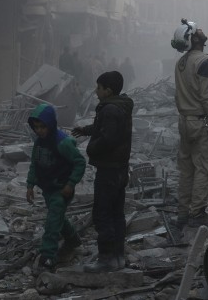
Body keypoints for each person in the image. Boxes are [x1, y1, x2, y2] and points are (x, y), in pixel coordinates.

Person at [71, 71, 134, 272]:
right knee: (117, 213)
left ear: (108, 90)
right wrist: (86, 130)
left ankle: (106, 258)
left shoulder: (109, 110)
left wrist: (91, 148)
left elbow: (108, 139)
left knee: (102, 213)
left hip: (108, 170)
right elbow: (104, 129)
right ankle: (118, 257)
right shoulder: (120, 106)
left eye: (98, 87)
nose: (96, 91)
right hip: (120, 169)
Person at [171, 18, 208, 228]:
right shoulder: (204, 62)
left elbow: (178, 96)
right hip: (200, 122)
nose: (203, 31)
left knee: (186, 169)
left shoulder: (181, 63)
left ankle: (183, 213)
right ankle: (198, 214)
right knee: (203, 168)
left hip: (184, 121)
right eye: (198, 30)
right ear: (193, 38)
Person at [26, 103, 87, 272]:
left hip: (62, 189)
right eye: (36, 127)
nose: (39, 130)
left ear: (51, 124)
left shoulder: (63, 142)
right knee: (58, 216)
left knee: (52, 222)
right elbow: (34, 164)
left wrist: (70, 183)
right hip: (48, 188)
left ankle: (48, 257)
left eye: (43, 126)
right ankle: (73, 240)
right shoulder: (39, 143)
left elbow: (80, 162)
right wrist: (30, 185)